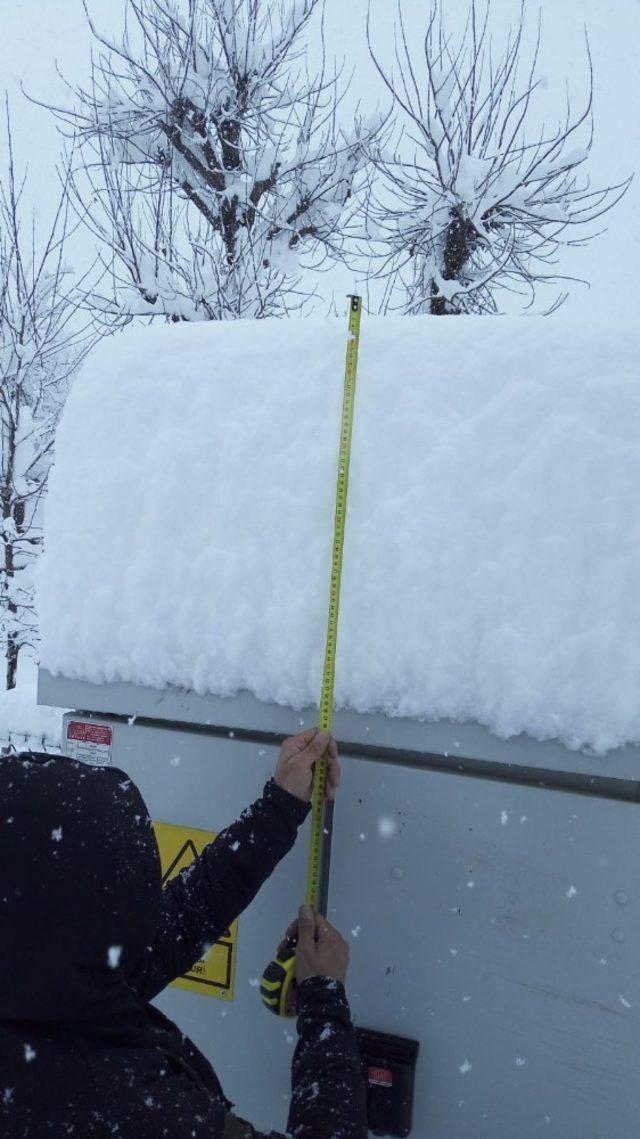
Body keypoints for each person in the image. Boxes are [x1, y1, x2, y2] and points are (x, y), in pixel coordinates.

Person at [0, 728, 368, 1138]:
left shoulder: (38, 974)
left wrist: (279, 808)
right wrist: (325, 1002)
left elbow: (185, 916)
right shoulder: (130, 1110)